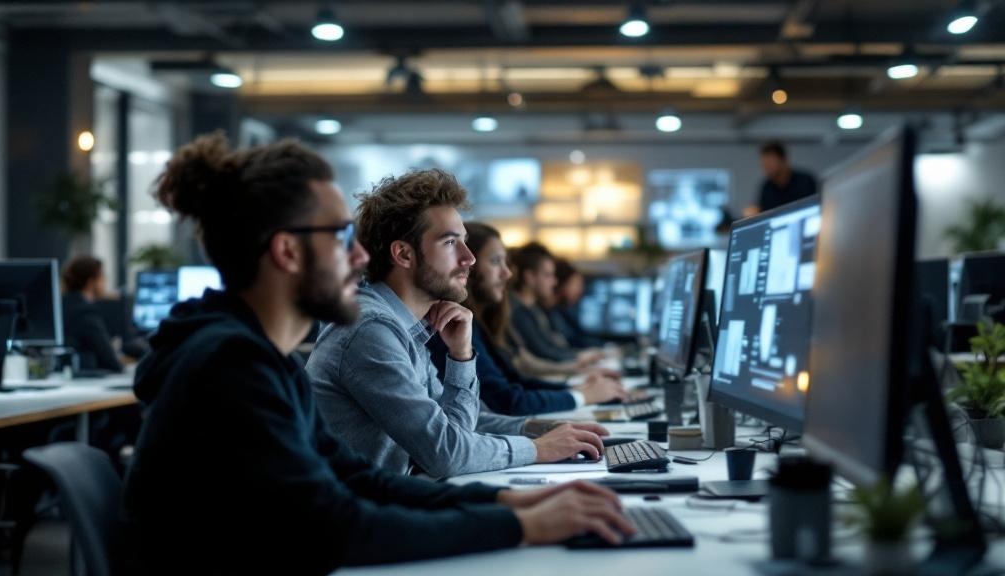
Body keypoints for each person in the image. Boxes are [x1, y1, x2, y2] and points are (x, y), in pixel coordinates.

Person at [122, 134, 634, 574]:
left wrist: (506, 501)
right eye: (341, 237)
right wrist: (517, 523)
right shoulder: (229, 368)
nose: (361, 256)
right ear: (287, 251)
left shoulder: (261, 357)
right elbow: (339, 526)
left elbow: (360, 480)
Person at [307, 169, 611, 478]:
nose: (469, 258)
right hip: (365, 516)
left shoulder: (408, 326)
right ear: (404, 254)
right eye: (451, 243)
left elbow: (449, 424)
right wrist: (538, 449)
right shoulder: (369, 331)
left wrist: (540, 428)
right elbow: (445, 452)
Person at [429, 222, 624, 416]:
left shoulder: (476, 320)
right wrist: (580, 394)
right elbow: (507, 399)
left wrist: (575, 388)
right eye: (496, 261)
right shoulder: (452, 324)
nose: (507, 273)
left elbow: (515, 381)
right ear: (467, 265)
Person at [509, 242, 604, 364]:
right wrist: (579, 359)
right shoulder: (518, 311)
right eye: (548, 275)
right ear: (529, 277)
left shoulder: (534, 309)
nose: (554, 282)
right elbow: (543, 352)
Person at [60, 256, 123, 373]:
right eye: (102, 277)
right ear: (91, 282)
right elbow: (110, 361)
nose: (105, 282)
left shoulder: (60, 305)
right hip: (84, 381)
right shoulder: (85, 312)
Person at [746, 140, 817, 216]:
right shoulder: (766, 188)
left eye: (770, 163)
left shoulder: (805, 181)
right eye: (764, 165)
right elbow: (761, 211)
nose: (767, 168)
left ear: (783, 160)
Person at [547, 257, 602, 349]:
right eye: (576, 285)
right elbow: (573, 341)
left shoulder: (563, 310)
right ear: (561, 285)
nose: (581, 291)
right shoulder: (551, 314)